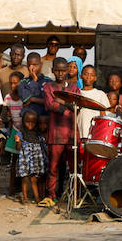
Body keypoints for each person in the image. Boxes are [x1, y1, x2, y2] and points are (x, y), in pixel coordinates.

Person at [41, 58, 80, 201]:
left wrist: (62, 101)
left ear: (67, 71)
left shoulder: (74, 87)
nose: (60, 73)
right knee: (53, 167)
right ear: (52, 70)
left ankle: (73, 195)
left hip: (71, 134)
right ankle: (51, 195)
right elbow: (50, 105)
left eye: (63, 70)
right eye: (57, 70)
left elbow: (78, 107)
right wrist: (68, 105)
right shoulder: (48, 87)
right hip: (55, 133)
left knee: (73, 168)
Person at [15, 110, 47, 205]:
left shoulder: (37, 134)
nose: (30, 124)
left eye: (32, 122)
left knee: (34, 178)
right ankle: (25, 197)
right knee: (24, 178)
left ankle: (37, 197)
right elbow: (18, 148)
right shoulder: (21, 133)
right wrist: (18, 141)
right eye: (27, 122)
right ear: (23, 122)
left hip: (35, 160)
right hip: (24, 159)